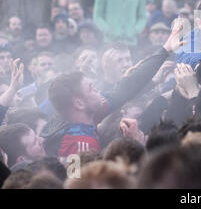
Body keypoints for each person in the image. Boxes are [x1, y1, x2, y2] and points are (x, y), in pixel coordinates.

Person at [40, 20, 184, 158]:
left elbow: (127, 88)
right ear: (79, 104)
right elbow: (76, 181)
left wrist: (165, 49)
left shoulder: (90, 113)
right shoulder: (78, 146)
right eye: (91, 89)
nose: (97, 90)